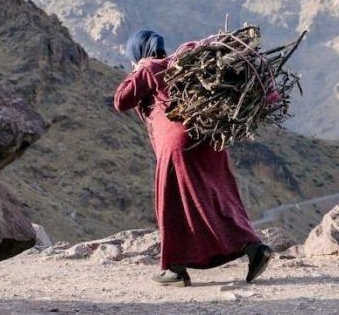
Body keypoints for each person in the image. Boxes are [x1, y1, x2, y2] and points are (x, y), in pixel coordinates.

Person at [113, 29, 272, 287]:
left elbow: (121, 100)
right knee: (217, 197)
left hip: (177, 145)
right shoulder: (178, 65)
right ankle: (254, 248)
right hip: (208, 140)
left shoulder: (151, 66)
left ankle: (175, 268)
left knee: (172, 203)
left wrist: (139, 67)